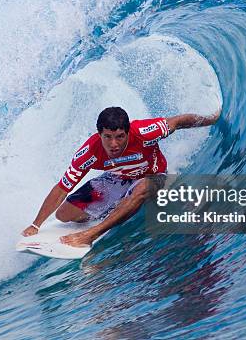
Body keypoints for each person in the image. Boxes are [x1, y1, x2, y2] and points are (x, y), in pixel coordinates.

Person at [21, 106, 221, 247]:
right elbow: (62, 188)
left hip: (155, 177)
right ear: (99, 134)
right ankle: (113, 209)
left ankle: (93, 233)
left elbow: (177, 121)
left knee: (142, 188)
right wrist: (35, 224)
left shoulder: (145, 132)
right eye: (107, 137)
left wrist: (210, 119)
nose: (113, 144)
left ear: (128, 132)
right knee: (64, 215)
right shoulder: (89, 153)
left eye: (119, 137)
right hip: (117, 178)